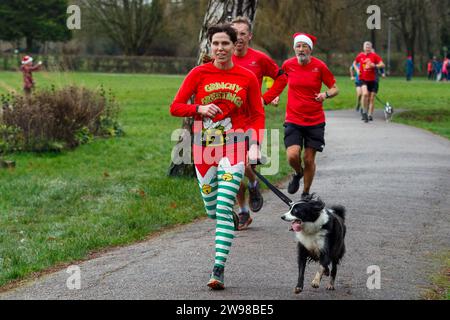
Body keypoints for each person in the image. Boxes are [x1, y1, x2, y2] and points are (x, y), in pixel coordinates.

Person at [170, 23, 264, 290]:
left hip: (235, 146)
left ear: (235, 46)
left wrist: (254, 144)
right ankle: (229, 217)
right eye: (216, 44)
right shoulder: (199, 73)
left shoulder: (247, 77)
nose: (220, 49)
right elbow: (175, 107)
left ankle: (218, 269)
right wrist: (199, 107)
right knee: (212, 211)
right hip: (204, 148)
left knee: (223, 206)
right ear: (209, 46)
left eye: (225, 44)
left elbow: (257, 115)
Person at [230, 16, 287, 230]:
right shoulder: (224, 59)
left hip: (253, 120)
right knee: (233, 168)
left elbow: (282, 77)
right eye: (236, 33)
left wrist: (266, 98)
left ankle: (253, 183)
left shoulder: (259, 59)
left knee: (244, 164)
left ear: (250, 36)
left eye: (243, 33)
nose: (239, 38)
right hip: (230, 121)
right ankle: (244, 212)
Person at [279, 33, 339, 200]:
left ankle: (305, 193)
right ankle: (298, 173)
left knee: (308, 159)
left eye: (304, 46)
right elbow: (280, 82)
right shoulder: (288, 65)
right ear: (294, 48)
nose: (301, 49)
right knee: (292, 155)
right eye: (298, 46)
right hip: (293, 118)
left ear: (310, 49)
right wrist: (275, 95)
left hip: (315, 121)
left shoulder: (319, 66)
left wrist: (325, 94)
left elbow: (335, 88)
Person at [353, 42, 385, 123]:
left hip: (373, 80)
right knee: (365, 94)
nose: (367, 48)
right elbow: (354, 63)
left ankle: (370, 114)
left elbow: (382, 64)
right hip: (363, 79)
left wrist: (375, 65)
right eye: (366, 47)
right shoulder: (360, 55)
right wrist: (357, 70)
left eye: (369, 47)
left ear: (371, 48)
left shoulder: (374, 56)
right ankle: (364, 111)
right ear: (363, 48)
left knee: (371, 98)